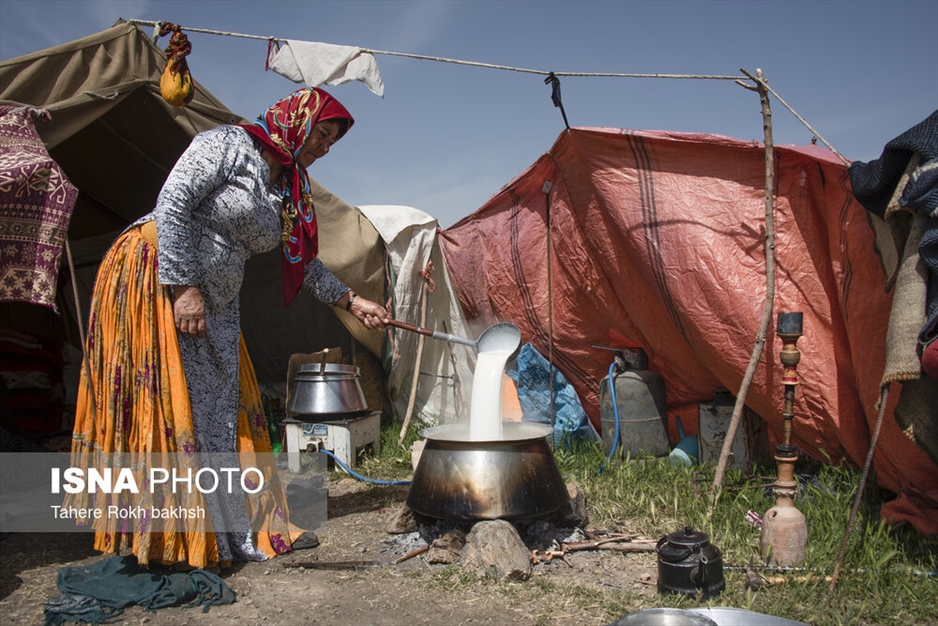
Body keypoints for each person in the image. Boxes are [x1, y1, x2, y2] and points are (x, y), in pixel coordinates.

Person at [67, 87, 389, 569]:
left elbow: (299, 261)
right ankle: (165, 535)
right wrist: (183, 287)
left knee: (220, 409)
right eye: (321, 134)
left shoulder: (289, 189)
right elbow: (174, 201)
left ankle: (223, 528)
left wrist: (353, 301)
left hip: (217, 299)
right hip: (157, 277)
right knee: (168, 399)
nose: (324, 147)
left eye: (331, 142)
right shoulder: (228, 144)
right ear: (297, 122)